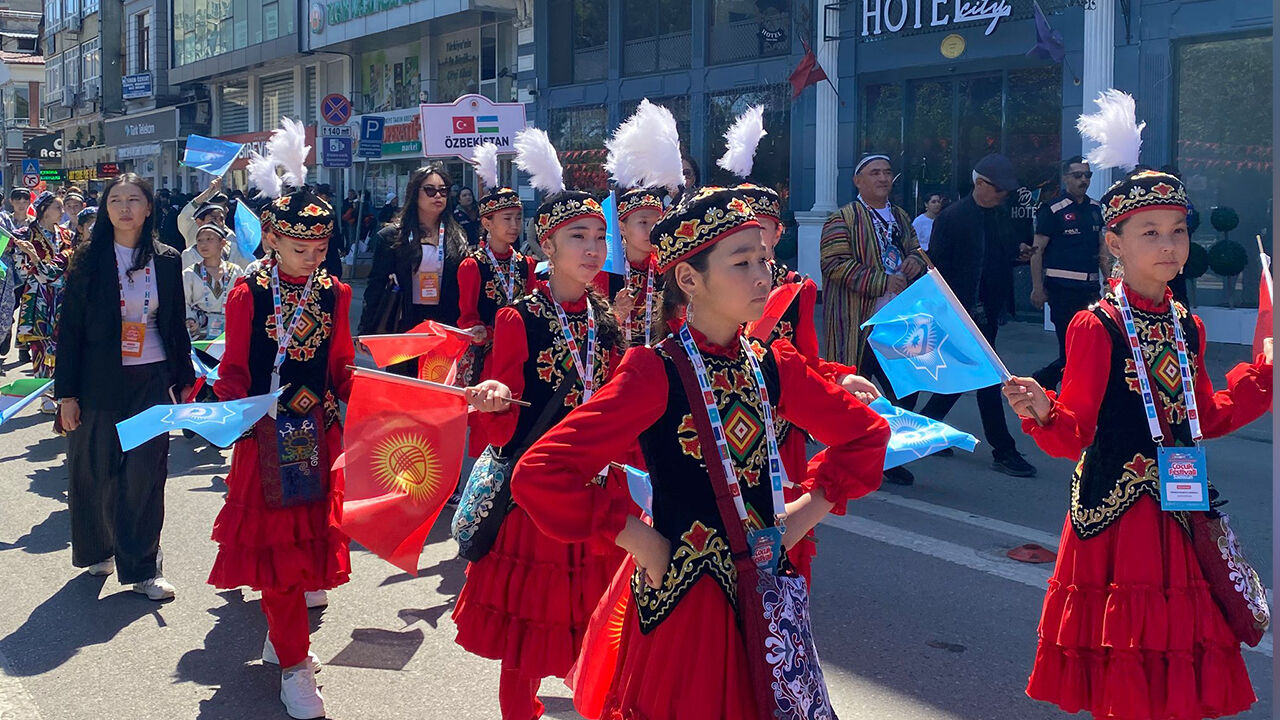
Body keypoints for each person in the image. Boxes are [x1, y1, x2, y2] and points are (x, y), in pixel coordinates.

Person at [511, 186, 891, 720]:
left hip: (767, 593)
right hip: (689, 606)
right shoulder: (654, 371)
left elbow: (866, 434)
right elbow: (542, 473)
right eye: (741, 263)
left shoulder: (771, 363)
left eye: (765, 258)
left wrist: (797, 521)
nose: (764, 276)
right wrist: (645, 545)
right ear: (689, 280)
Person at [1002, 163, 1272, 720]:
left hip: (1181, 511)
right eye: (1150, 232)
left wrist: (1260, 377)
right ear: (1114, 242)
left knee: (1178, 666)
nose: (1170, 245)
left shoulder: (1184, 325)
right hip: (1120, 519)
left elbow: (1202, 417)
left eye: (1178, 230)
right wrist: (1043, 409)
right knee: (1127, 664)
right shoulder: (1095, 326)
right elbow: (1073, 434)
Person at [451, 128, 628, 720]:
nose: (593, 247)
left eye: (600, 236)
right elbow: (502, 427)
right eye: (578, 237)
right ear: (547, 247)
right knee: (527, 638)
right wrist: (496, 397)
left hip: (598, 485)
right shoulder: (517, 318)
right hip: (536, 493)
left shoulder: (605, 318)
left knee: (599, 618)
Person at [209, 119, 354, 720]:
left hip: (315, 438)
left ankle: (285, 637)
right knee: (278, 556)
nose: (312, 259)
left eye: (320, 249)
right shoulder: (250, 294)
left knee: (302, 553)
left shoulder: (334, 293)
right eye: (301, 248)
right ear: (272, 238)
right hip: (266, 439)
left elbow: (341, 364)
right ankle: (295, 665)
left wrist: (354, 408)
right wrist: (233, 416)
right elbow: (235, 370)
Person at [54, 173, 196, 600]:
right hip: (98, 381)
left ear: (149, 208)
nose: (125, 207)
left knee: (144, 475)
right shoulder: (87, 259)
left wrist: (185, 380)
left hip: (150, 380)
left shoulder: (168, 259)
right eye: (116, 200)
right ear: (106, 209)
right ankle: (99, 548)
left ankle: (144, 566)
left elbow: (174, 324)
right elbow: (71, 331)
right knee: (96, 470)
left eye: (134, 200)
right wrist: (66, 396)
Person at [920, 153, 1038, 478]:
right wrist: (945, 311)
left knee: (963, 376)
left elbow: (1000, 256)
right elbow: (937, 267)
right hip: (962, 310)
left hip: (989, 309)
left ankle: (925, 428)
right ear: (981, 184)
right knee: (988, 379)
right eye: (999, 189)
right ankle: (1004, 450)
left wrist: (1020, 255)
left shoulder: (1000, 216)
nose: (1003, 195)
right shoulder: (952, 217)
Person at [819, 153, 927, 484]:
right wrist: (881, 281)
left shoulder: (900, 216)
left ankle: (887, 450)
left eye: (887, 173)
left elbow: (916, 250)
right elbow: (833, 264)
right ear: (858, 181)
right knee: (856, 386)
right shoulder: (842, 219)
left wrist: (913, 262)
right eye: (874, 172)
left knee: (906, 385)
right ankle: (856, 448)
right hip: (858, 321)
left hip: (898, 319)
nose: (883, 178)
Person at [357, 165, 469, 375]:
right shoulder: (391, 236)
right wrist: (366, 329)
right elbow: (376, 285)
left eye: (443, 191)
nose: (438, 195)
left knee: (439, 387)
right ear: (414, 193)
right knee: (405, 389)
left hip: (444, 321)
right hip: (405, 321)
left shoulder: (457, 235)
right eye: (430, 190)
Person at [457, 148, 537, 391]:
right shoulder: (473, 265)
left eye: (517, 218)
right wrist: (478, 330)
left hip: (523, 351)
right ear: (486, 222)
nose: (514, 226)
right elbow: (467, 316)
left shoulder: (526, 263)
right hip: (489, 355)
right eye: (506, 219)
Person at [1030, 157, 1106, 391]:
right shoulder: (1052, 209)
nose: (1084, 180)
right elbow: (1037, 251)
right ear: (1066, 178)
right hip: (1062, 290)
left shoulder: (1095, 209)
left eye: (1088, 175)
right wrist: (1037, 287)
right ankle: (1067, 396)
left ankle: (1047, 378)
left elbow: (1102, 248)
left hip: (1090, 290)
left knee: (1090, 347)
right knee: (1070, 348)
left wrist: (1111, 280)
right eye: (1078, 175)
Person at [13, 191, 73, 403]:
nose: (62, 211)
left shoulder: (66, 235)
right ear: (44, 211)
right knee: (39, 345)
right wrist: (34, 263)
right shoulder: (25, 234)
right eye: (57, 207)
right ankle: (44, 397)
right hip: (37, 295)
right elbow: (20, 268)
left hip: (62, 295)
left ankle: (59, 392)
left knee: (61, 344)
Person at [182, 224, 245, 341]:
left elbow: (242, 300)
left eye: (209, 239)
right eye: (199, 240)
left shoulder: (236, 271)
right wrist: (190, 319)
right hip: (200, 332)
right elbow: (184, 302)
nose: (203, 244)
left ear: (222, 243)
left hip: (229, 331)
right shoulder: (190, 273)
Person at [315, 184, 346, 279]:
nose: (328, 199)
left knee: (335, 271)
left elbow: (336, 229)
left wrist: (341, 247)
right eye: (326, 196)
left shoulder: (330, 209)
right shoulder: (312, 209)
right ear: (319, 195)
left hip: (331, 245)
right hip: (316, 246)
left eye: (329, 197)